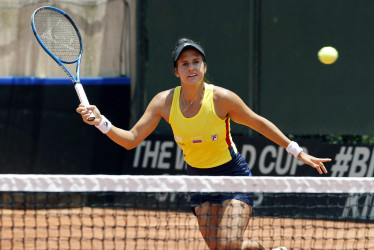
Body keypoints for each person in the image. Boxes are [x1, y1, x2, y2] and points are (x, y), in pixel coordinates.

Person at [77, 38, 331, 250]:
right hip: (198, 179)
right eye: (184, 63)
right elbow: (131, 140)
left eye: (196, 62)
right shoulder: (163, 102)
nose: (191, 67)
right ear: (176, 71)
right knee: (218, 248)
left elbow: (258, 123)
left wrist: (297, 151)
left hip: (233, 176)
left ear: (204, 67)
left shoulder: (222, 99)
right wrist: (101, 122)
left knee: (230, 243)